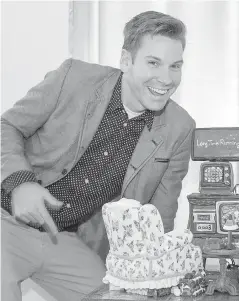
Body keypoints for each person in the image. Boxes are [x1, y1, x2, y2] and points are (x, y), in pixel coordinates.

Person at [1, 11, 195, 301]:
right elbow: (8, 126)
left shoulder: (181, 127)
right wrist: (21, 182)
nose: (166, 79)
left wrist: (154, 275)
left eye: (175, 66)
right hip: (5, 224)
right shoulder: (73, 77)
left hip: (65, 238)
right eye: (153, 63)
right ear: (126, 60)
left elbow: (158, 216)